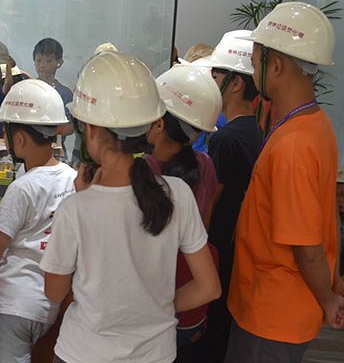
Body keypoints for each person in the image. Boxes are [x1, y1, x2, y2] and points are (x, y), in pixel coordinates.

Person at [40, 51, 221, 363]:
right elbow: (209, 288)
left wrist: (85, 202)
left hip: (83, 354)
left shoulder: (76, 208)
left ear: (90, 129)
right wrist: (154, 309)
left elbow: (54, 292)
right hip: (156, 354)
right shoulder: (178, 194)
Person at [226, 2, 344, 362]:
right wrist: (333, 284)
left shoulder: (294, 145)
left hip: (272, 314)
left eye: (254, 61)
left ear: (275, 66)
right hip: (282, 305)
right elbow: (326, 216)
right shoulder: (316, 124)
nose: (251, 71)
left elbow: (307, 247)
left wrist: (329, 299)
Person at [0, 79, 76, 363]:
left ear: (19, 139)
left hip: (10, 304)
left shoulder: (23, 188)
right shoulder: (72, 179)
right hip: (48, 306)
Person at [192, 30, 261, 363]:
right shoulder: (254, 130)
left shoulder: (226, 139)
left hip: (219, 249)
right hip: (237, 252)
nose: (211, 82)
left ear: (235, 84)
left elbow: (210, 203)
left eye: (216, 76)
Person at [146, 64, 222, 360]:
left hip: (150, 300)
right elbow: (204, 228)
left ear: (159, 121)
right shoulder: (206, 166)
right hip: (190, 297)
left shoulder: (141, 171)